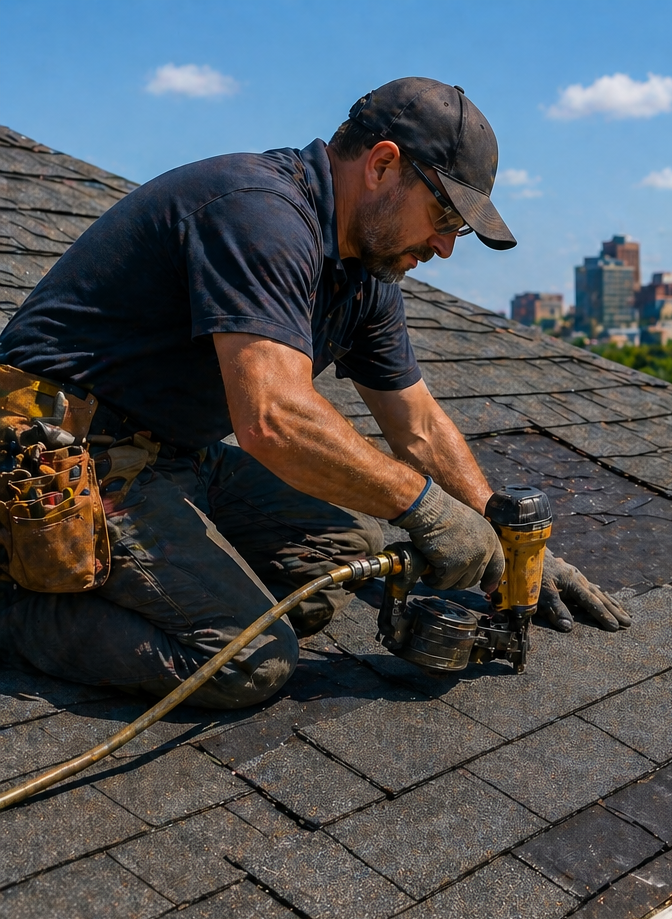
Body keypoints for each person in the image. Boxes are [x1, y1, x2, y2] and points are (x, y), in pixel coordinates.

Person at [0, 77, 629, 708]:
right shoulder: (259, 212)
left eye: (457, 231)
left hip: (171, 452)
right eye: (444, 217)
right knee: (249, 661)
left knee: (342, 555)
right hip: (55, 456)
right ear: (382, 165)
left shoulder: (365, 275)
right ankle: (13, 608)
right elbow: (273, 419)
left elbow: (417, 426)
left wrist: (509, 542)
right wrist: (429, 511)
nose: (443, 247)